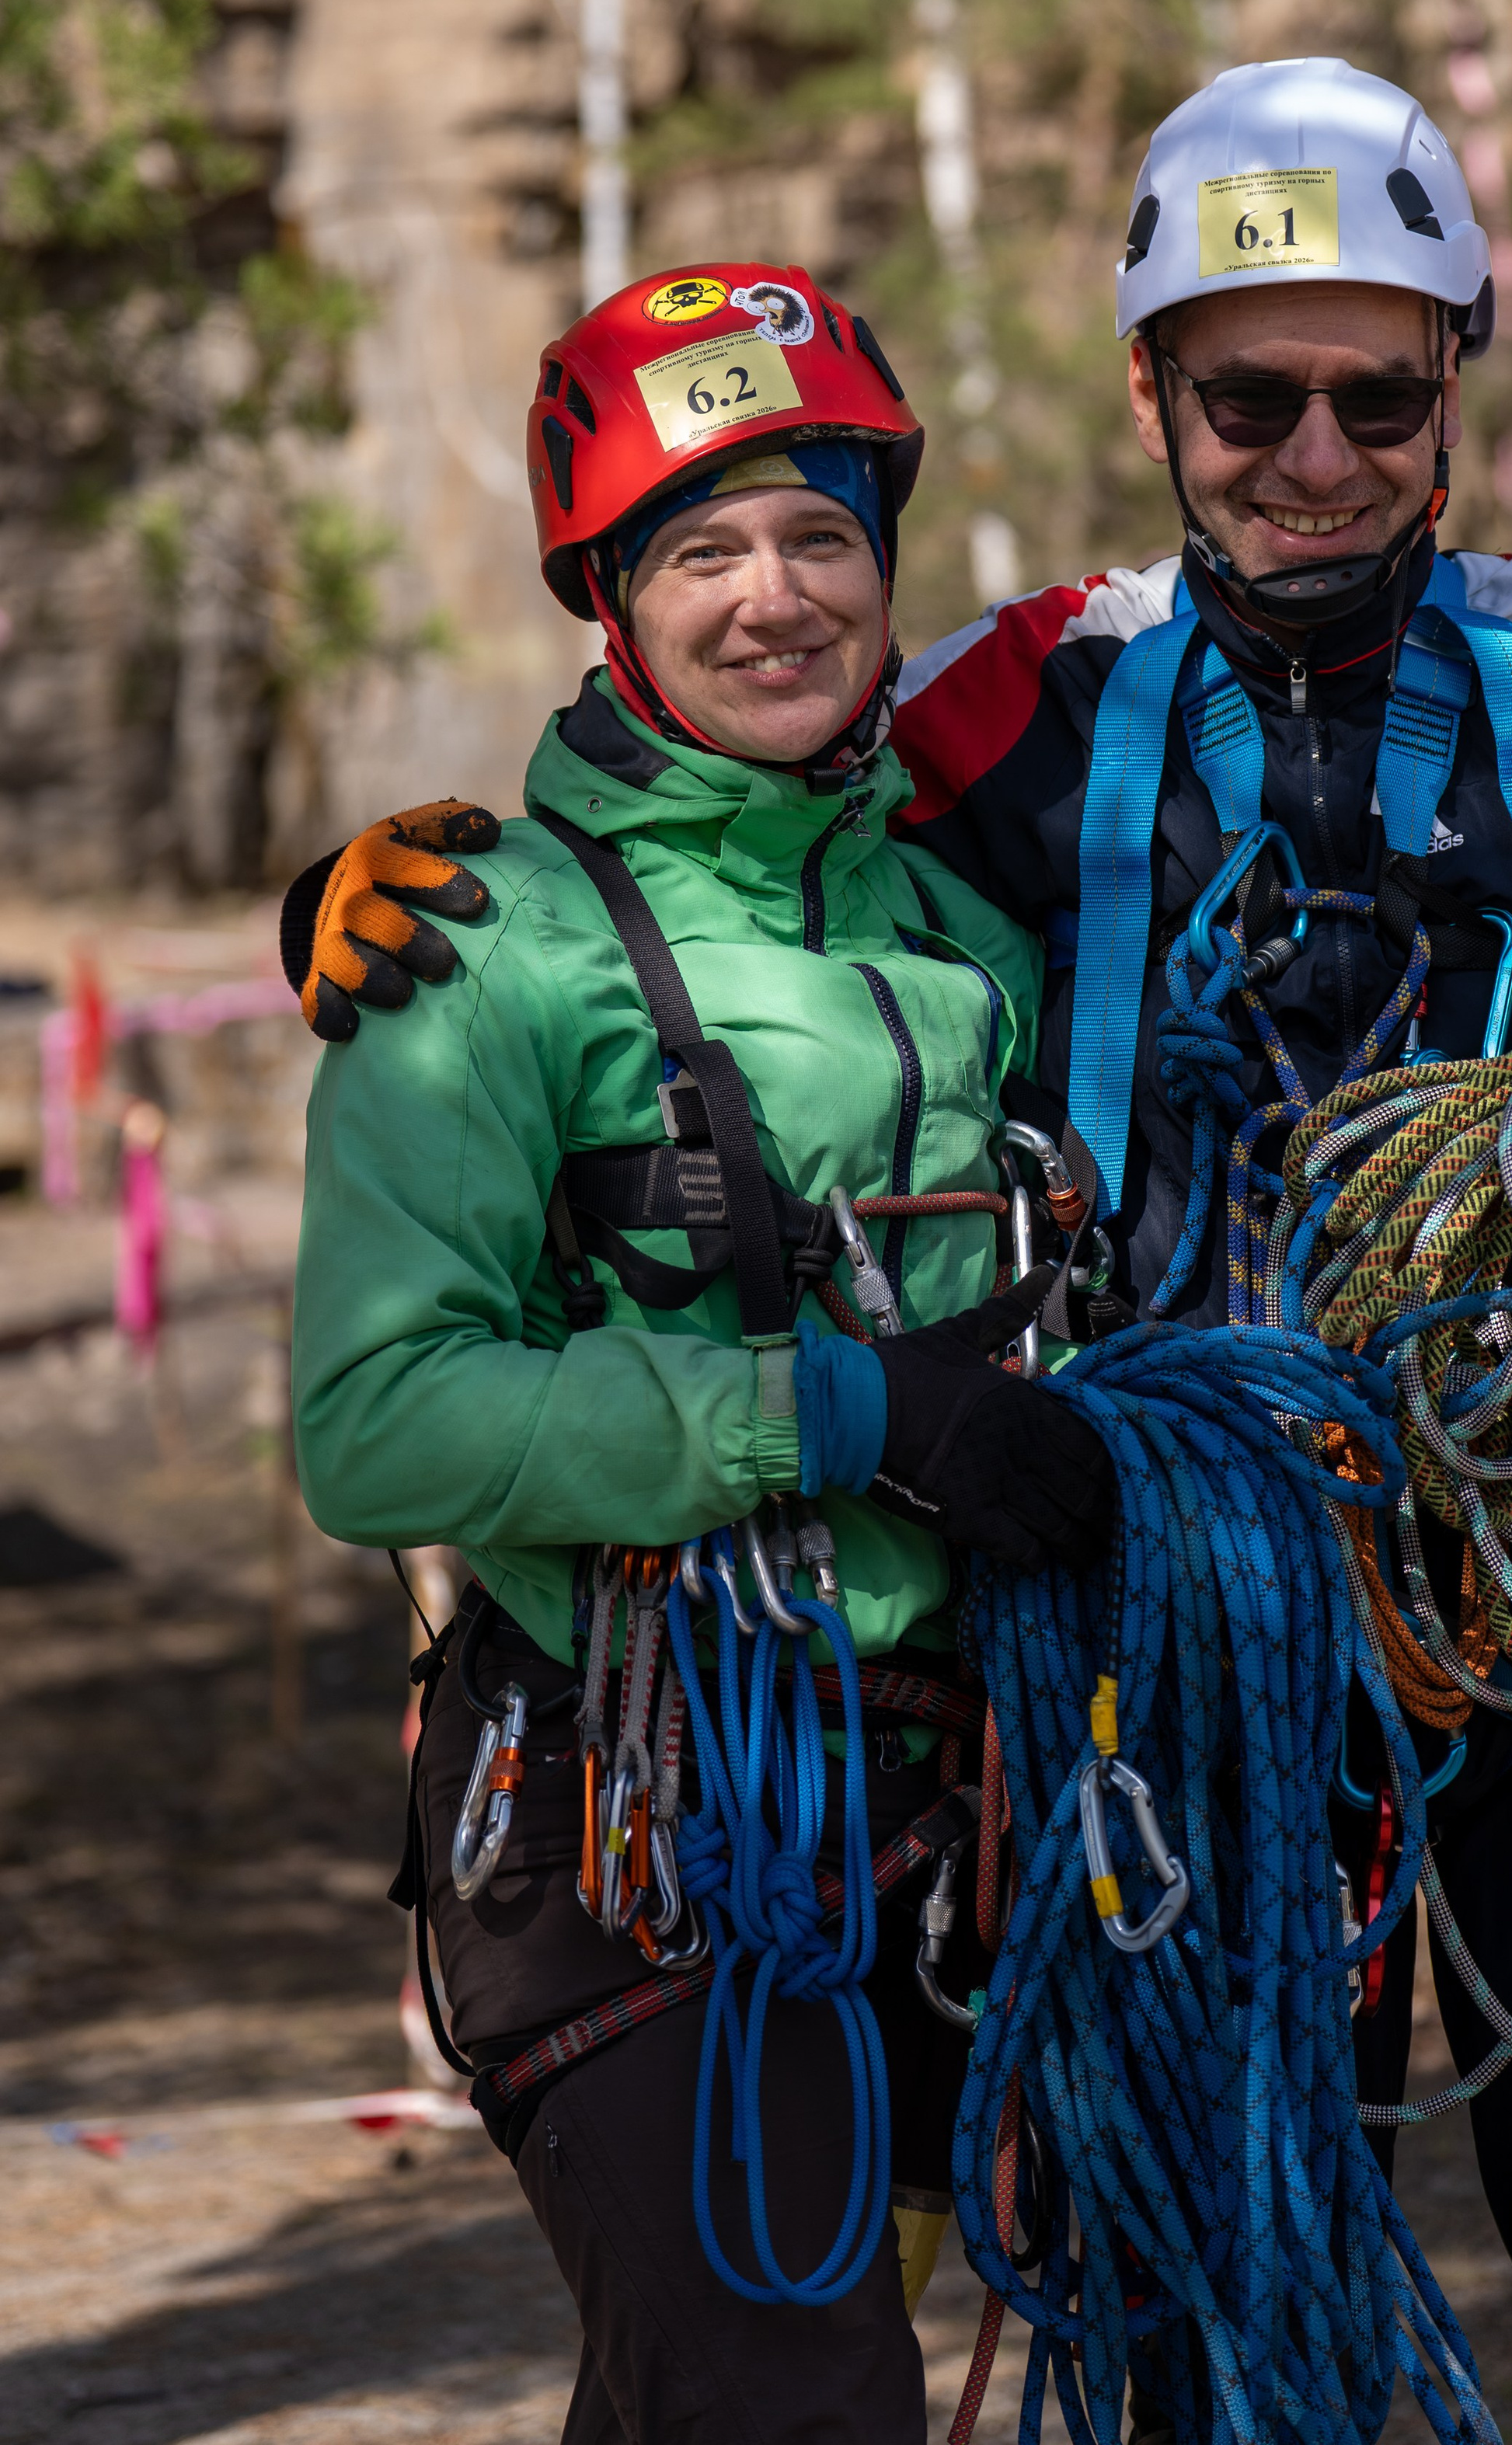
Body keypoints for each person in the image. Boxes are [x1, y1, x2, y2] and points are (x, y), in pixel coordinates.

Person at [291, 65, 1512, 2441]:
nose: (1320, 453)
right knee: (1204, 2250)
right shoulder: (1017, 704)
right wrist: (405, 899)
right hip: (1181, 1625)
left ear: (1458, 378)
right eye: (1253, 394)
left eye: (1383, 391)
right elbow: (739, 827)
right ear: (1154, 389)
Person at [286, 262, 1113, 2445]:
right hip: (625, 1818)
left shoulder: (962, 935)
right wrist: (846, 1410)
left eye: (822, 534)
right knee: (783, 2394)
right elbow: (379, 1424)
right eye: (701, 550)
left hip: (949, 1802)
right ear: (611, 603)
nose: (775, 598)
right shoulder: (476, 944)